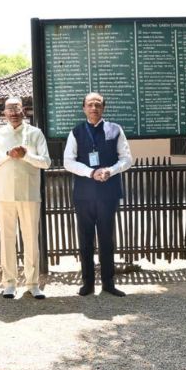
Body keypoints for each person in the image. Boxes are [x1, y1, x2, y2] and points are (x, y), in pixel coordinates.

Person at [0, 97, 50, 299]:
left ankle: (32, 282)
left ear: (24, 110)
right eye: (9, 109)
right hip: (5, 195)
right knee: (7, 239)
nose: (13, 113)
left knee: (30, 239)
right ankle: (9, 282)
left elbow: (46, 162)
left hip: (29, 194)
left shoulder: (35, 133)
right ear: (4, 113)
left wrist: (26, 155)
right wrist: (7, 154)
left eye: (16, 109)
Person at [64, 92, 131, 297]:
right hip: (84, 194)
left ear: (104, 108)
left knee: (107, 239)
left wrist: (109, 171)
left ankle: (108, 283)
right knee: (85, 239)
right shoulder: (76, 132)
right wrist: (91, 172)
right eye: (90, 105)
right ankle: (88, 283)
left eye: (98, 105)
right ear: (84, 108)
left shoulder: (115, 129)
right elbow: (68, 161)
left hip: (108, 193)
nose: (94, 108)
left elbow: (127, 159)